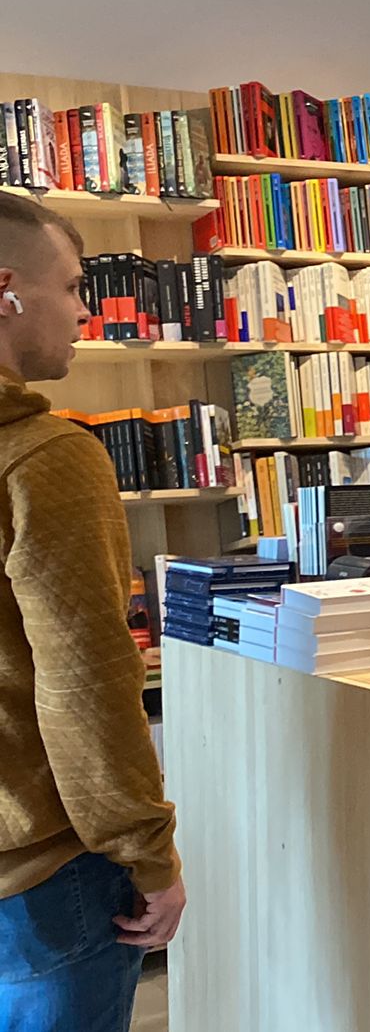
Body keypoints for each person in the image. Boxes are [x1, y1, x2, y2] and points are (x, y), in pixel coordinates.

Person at [0, 193, 183, 1031]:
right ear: (7, 292)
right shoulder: (47, 458)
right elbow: (85, 688)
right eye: (72, 287)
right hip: (41, 880)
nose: (85, 310)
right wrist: (149, 856)